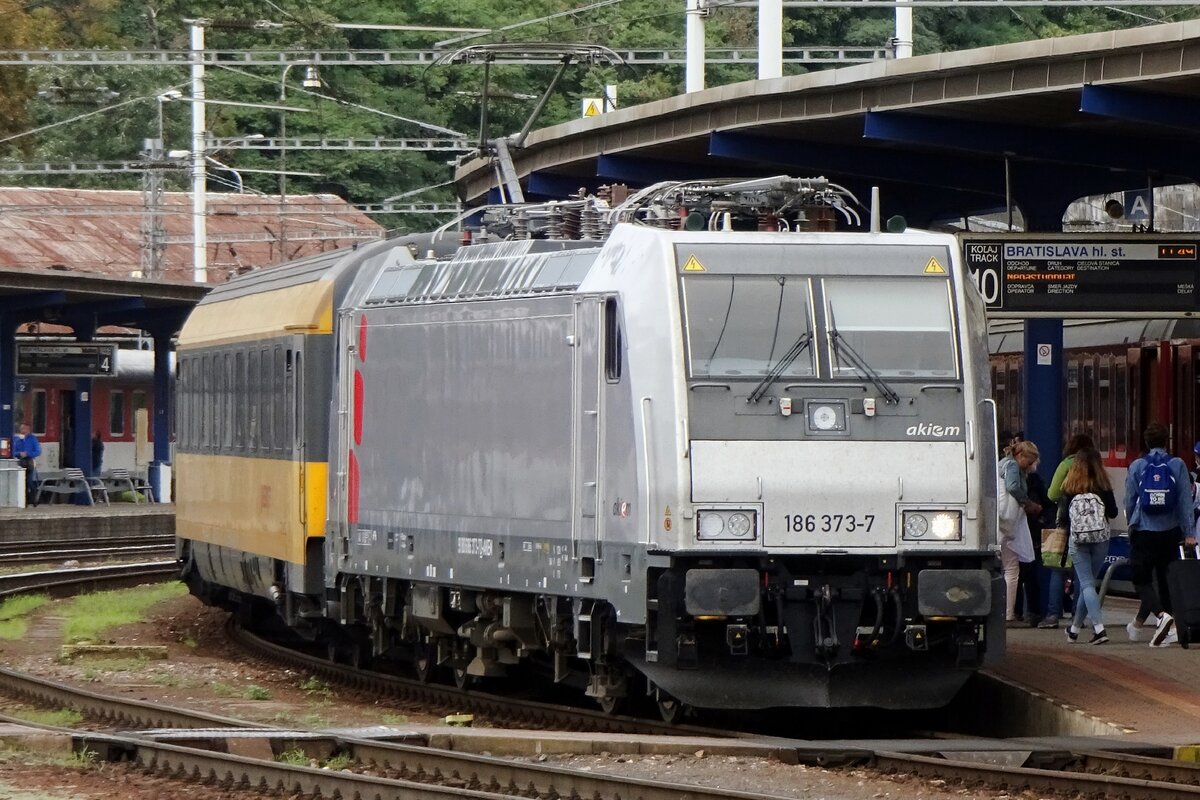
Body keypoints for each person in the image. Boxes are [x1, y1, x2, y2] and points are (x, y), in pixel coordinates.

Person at [1124, 422, 1196, 647]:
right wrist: (1189, 532)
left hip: (1144, 531)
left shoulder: (1137, 466)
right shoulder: (1177, 465)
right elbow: (1185, 501)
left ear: (1146, 442)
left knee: (1141, 579)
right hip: (1170, 531)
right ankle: (1173, 628)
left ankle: (1162, 616)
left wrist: (1131, 526)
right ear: (1167, 442)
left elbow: (1129, 499)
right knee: (1167, 580)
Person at [1060, 448, 1119, 645]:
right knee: (1089, 585)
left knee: (1086, 585)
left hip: (1078, 540)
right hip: (1101, 539)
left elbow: (1063, 518)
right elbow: (1113, 512)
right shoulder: (1103, 485)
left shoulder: (1069, 486)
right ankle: (1074, 630)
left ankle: (1099, 629)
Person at [1041, 433, 1096, 628]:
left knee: (1059, 568)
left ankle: (1053, 615)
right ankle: (1078, 616)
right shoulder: (1094, 466)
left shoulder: (1066, 465)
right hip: (1091, 524)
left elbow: (1052, 493)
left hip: (1066, 521)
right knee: (1083, 571)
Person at [998, 440, 1040, 626]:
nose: (1030, 466)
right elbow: (1013, 486)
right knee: (1012, 568)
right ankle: (1008, 614)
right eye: (1028, 462)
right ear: (1020, 456)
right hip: (1008, 521)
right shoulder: (1013, 466)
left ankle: (1007, 612)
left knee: (1007, 566)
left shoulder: (1003, 463)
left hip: (1001, 519)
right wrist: (1027, 502)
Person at [13, 422, 41, 507]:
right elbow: (13, 451)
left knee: (30, 482)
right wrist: (19, 453)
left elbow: (38, 451)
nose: (22, 431)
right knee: (22, 482)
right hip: (20, 462)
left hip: (29, 462)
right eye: (21, 429)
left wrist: (28, 453)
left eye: (24, 429)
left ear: (28, 430)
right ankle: (24, 501)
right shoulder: (17, 439)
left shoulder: (33, 439)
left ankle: (34, 500)